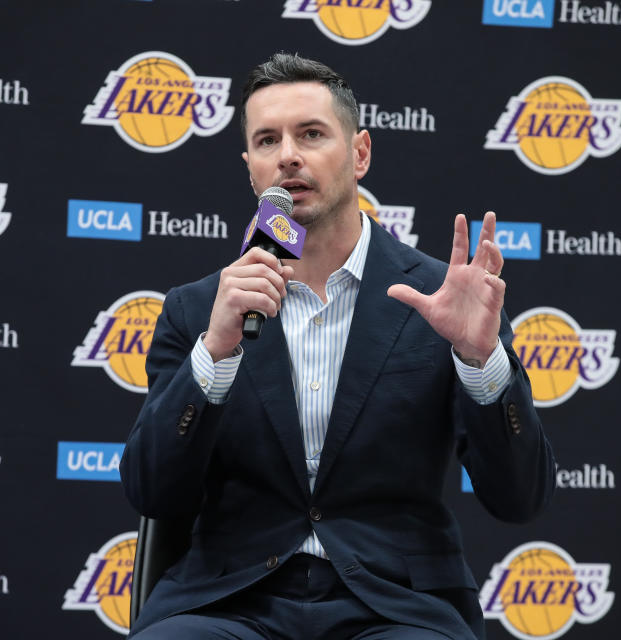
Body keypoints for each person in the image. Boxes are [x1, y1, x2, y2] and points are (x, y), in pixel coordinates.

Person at [121, 53, 555, 640]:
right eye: (267, 140)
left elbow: (519, 499)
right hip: (232, 604)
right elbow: (152, 491)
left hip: (393, 606)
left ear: (360, 154)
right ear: (250, 167)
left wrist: (483, 364)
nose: (288, 155)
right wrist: (213, 356)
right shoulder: (201, 310)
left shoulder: (442, 301)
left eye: (311, 134)